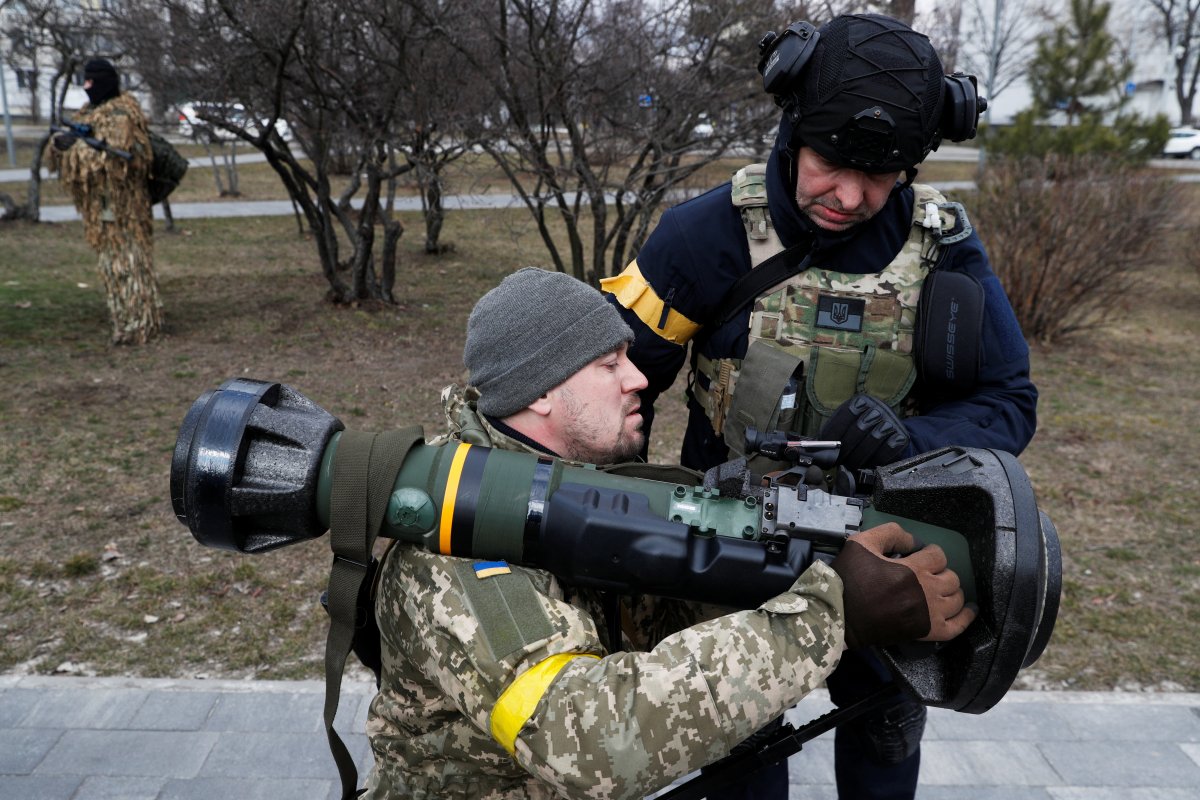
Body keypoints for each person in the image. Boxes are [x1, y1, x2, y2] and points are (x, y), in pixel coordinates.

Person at [600, 13, 1037, 800]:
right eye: (832, 162)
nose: (851, 194)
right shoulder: (705, 239)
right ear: (793, 126)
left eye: (883, 174)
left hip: (887, 550)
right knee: (741, 750)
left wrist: (912, 437)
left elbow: (1008, 402)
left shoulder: (944, 252)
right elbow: (612, 393)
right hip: (729, 550)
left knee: (883, 727)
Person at [360, 268, 975, 799]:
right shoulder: (457, 546)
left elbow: (649, 630)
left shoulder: (568, 488)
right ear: (540, 394)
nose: (639, 379)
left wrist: (770, 548)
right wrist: (829, 612)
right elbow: (594, 743)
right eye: (609, 365)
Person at [47, 58, 163, 345]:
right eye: (84, 81)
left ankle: (141, 323)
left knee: (132, 265)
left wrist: (73, 150)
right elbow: (64, 159)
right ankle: (122, 321)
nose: (87, 88)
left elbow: (111, 162)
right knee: (112, 267)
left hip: (126, 210)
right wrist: (59, 146)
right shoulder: (88, 113)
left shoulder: (123, 113)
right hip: (100, 211)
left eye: (92, 82)